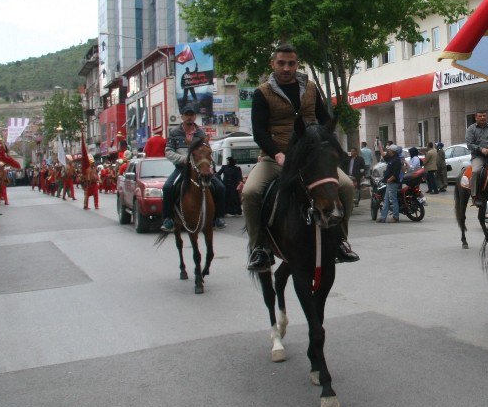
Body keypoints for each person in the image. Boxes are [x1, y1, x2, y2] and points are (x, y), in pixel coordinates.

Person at [242, 43, 358, 271]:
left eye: (291, 63)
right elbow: (259, 132)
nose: (286, 68)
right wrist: (277, 153)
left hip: (310, 158)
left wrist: (324, 144)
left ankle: (340, 241)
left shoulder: (311, 88)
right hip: (277, 158)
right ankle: (260, 248)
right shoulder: (262, 93)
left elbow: (324, 119)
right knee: (250, 193)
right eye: (281, 63)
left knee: (346, 186)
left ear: (297, 64)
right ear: (273, 64)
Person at [160, 105, 226, 232]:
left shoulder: (201, 133)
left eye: (192, 114)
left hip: (199, 168)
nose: (189, 117)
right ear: (182, 117)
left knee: (220, 187)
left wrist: (206, 163)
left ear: (195, 116)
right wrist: (183, 159)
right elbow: (168, 151)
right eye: (187, 114)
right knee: (167, 187)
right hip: (182, 169)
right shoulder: (174, 133)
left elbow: (207, 150)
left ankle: (219, 217)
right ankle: (168, 218)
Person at [465, 111, 488, 207]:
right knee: (476, 171)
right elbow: (469, 144)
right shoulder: (471, 129)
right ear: (476, 117)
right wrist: (481, 149)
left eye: (484, 115)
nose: (482, 117)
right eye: (480, 116)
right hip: (478, 156)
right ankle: (475, 196)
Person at [378, 144, 402, 223]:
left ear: (393, 151)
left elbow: (396, 173)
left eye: (389, 150)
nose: (388, 151)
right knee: (386, 200)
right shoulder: (391, 158)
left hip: (393, 183)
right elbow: (384, 156)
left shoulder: (396, 160)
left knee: (393, 199)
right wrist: (380, 147)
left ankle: (396, 217)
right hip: (389, 182)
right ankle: (383, 217)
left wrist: (389, 179)